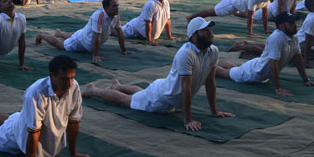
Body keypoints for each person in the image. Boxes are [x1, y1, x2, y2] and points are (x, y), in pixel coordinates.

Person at [82, 17, 234, 132]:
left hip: (168, 93)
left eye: (209, 29)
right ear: (194, 36)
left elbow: (210, 83)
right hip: (161, 98)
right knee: (126, 101)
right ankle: (93, 90)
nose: (210, 32)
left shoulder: (213, 51)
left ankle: (118, 85)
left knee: (142, 95)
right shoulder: (186, 54)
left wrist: (215, 112)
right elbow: (186, 88)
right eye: (205, 30)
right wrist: (187, 120)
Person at [219, 12, 314, 96]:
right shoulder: (276, 37)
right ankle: (210, 66)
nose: (294, 25)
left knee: (235, 70)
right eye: (290, 23)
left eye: (294, 22)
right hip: (253, 73)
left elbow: (298, 58)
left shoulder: (293, 37)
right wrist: (278, 89)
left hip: (258, 69)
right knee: (222, 73)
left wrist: (306, 80)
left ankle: (217, 62)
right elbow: (274, 64)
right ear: (281, 26)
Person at [36, 0, 132, 62]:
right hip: (82, 41)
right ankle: (41, 35)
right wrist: (95, 55)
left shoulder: (116, 15)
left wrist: (124, 50)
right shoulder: (99, 16)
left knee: (74, 36)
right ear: (106, 7)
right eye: (114, 6)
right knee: (60, 45)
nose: (117, 8)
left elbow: (120, 33)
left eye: (117, 5)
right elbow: (97, 36)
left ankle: (60, 33)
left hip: (85, 35)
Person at [186, 0, 279, 36]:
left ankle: (234, 14)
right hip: (231, 4)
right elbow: (250, 17)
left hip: (239, 7)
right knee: (211, 12)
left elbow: (265, 15)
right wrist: (250, 32)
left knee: (246, 15)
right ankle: (190, 17)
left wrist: (266, 30)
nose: (274, 0)